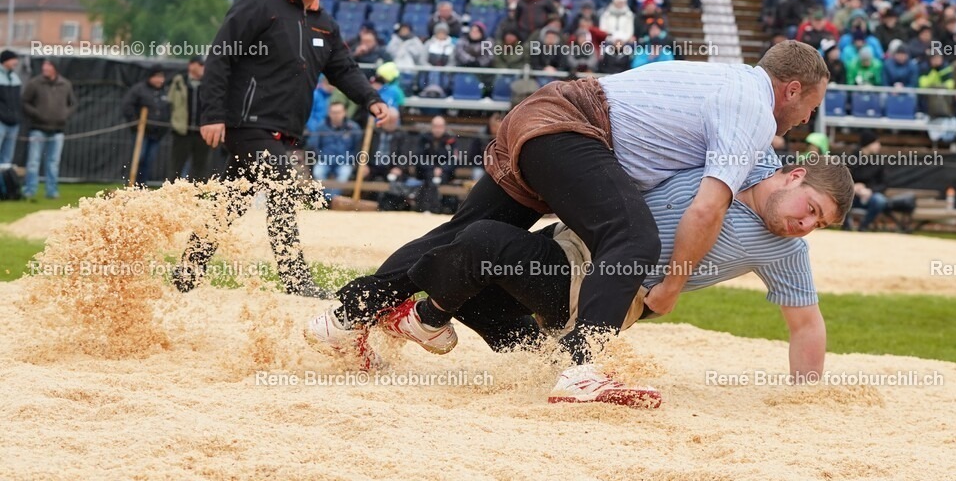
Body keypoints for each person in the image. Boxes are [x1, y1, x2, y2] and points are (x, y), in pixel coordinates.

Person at [314, 40, 828, 394]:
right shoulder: (755, 109)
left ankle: (343, 317)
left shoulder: (728, 86)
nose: (808, 119)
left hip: (547, 116)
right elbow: (709, 206)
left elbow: (767, 185)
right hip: (573, 126)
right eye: (811, 105)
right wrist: (671, 287)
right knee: (633, 237)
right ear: (790, 89)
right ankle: (583, 370)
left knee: (458, 233)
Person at [308, 156, 853, 405]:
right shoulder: (730, 162)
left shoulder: (785, 247)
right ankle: (375, 326)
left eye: (818, 225)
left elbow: (806, 324)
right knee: (476, 274)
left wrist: (806, 400)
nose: (805, 226)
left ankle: (425, 320)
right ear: (795, 174)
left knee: (481, 242)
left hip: (598, 287)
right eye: (811, 209)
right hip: (563, 246)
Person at [172, 0, 389, 296]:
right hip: (248, 123)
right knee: (285, 185)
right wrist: (211, 114)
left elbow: (344, 70)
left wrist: (371, 99)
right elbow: (220, 58)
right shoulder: (260, 4)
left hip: (285, 131)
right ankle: (295, 279)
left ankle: (188, 271)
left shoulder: (324, 24)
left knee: (229, 204)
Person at [21, 60, 76, 199]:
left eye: (48, 65)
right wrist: (36, 113)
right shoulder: (34, 83)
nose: (45, 68)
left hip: (58, 130)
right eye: (44, 65)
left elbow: (73, 103)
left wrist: (65, 114)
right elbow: (24, 102)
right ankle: (29, 190)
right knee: (33, 161)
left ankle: (51, 191)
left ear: (55, 68)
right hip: (38, 128)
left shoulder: (65, 84)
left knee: (53, 163)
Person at [122, 66, 171, 184]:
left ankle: (142, 184)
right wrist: (136, 123)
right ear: (150, 77)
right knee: (139, 157)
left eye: (162, 77)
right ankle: (131, 182)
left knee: (149, 160)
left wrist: (164, 126)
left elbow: (169, 110)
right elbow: (127, 106)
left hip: (157, 133)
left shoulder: (165, 91)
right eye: (157, 77)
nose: (160, 80)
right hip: (141, 132)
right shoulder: (139, 89)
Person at [309, 102, 363, 203]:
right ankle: (330, 199)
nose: (336, 115)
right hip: (325, 160)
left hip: (345, 161)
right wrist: (324, 157)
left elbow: (357, 149)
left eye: (338, 112)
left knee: (344, 174)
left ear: (344, 113)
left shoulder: (353, 128)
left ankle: (331, 200)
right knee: (318, 173)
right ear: (329, 113)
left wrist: (347, 159)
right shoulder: (321, 127)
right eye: (333, 112)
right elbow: (314, 146)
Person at [168, 57, 211, 181]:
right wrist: (175, 123)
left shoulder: (209, 83)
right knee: (176, 166)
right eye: (200, 64)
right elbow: (170, 103)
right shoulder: (179, 82)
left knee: (200, 167)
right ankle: (170, 194)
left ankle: (196, 196)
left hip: (202, 132)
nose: (203, 68)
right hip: (181, 132)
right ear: (191, 65)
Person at [844, 131, 890, 232]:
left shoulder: (879, 161)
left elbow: (884, 184)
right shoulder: (852, 158)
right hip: (853, 196)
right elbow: (843, 180)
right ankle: (846, 227)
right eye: (876, 143)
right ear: (868, 144)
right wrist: (853, 187)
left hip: (870, 196)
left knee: (880, 200)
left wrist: (870, 191)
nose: (879, 146)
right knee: (842, 197)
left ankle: (864, 226)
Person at [0, 49, 21, 166]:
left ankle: (3, 183)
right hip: (1, 122)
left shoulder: (15, 78)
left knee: (7, 159)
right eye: (13, 59)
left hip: (13, 123)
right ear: (5, 60)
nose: (16, 62)